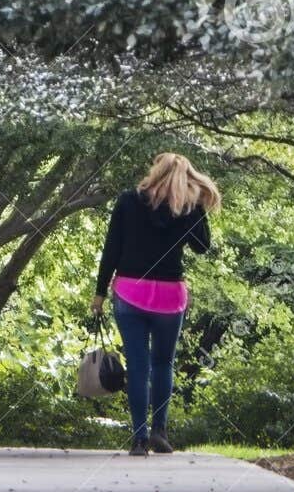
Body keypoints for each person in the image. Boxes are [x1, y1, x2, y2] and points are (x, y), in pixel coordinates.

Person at [93, 153, 219, 456]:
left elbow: (112, 248)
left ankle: (138, 439)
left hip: (130, 292)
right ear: (187, 177)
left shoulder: (127, 201)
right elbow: (203, 247)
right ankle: (159, 430)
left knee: (138, 366)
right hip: (169, 296)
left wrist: (99, 293)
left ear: (155, 170)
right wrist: (198, 206)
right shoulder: (187, 207)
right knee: (163, 363)